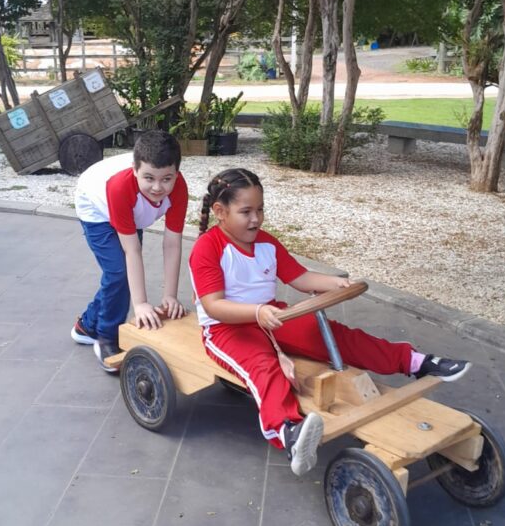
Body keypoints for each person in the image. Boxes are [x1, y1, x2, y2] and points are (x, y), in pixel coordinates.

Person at [188, 167, 471, 477]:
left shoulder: (266, 243)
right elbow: (214, 306)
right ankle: (287, 431)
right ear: (220, 211)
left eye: (260, 209)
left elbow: (300, 277)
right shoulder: (208, 248)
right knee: (263, 366)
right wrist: (257, 312)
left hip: (271, 315)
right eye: (246, 212)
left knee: (334, 336)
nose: (256, 219)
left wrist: (337, 283)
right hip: (226, 328)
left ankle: (415, 362)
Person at [72, 130, 188, 372]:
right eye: (149, 178)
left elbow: (172, 243)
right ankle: (106, 336)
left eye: (167, 179)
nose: (157, 187)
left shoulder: (179, 188)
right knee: (119, 272)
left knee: (123, 276)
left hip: (131, 210)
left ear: (177, 173)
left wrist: (170, 296)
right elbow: (131, 251)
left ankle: (87, 325)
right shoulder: (120, 187)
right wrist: (141, 304)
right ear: (135, 170)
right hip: (96, 207)